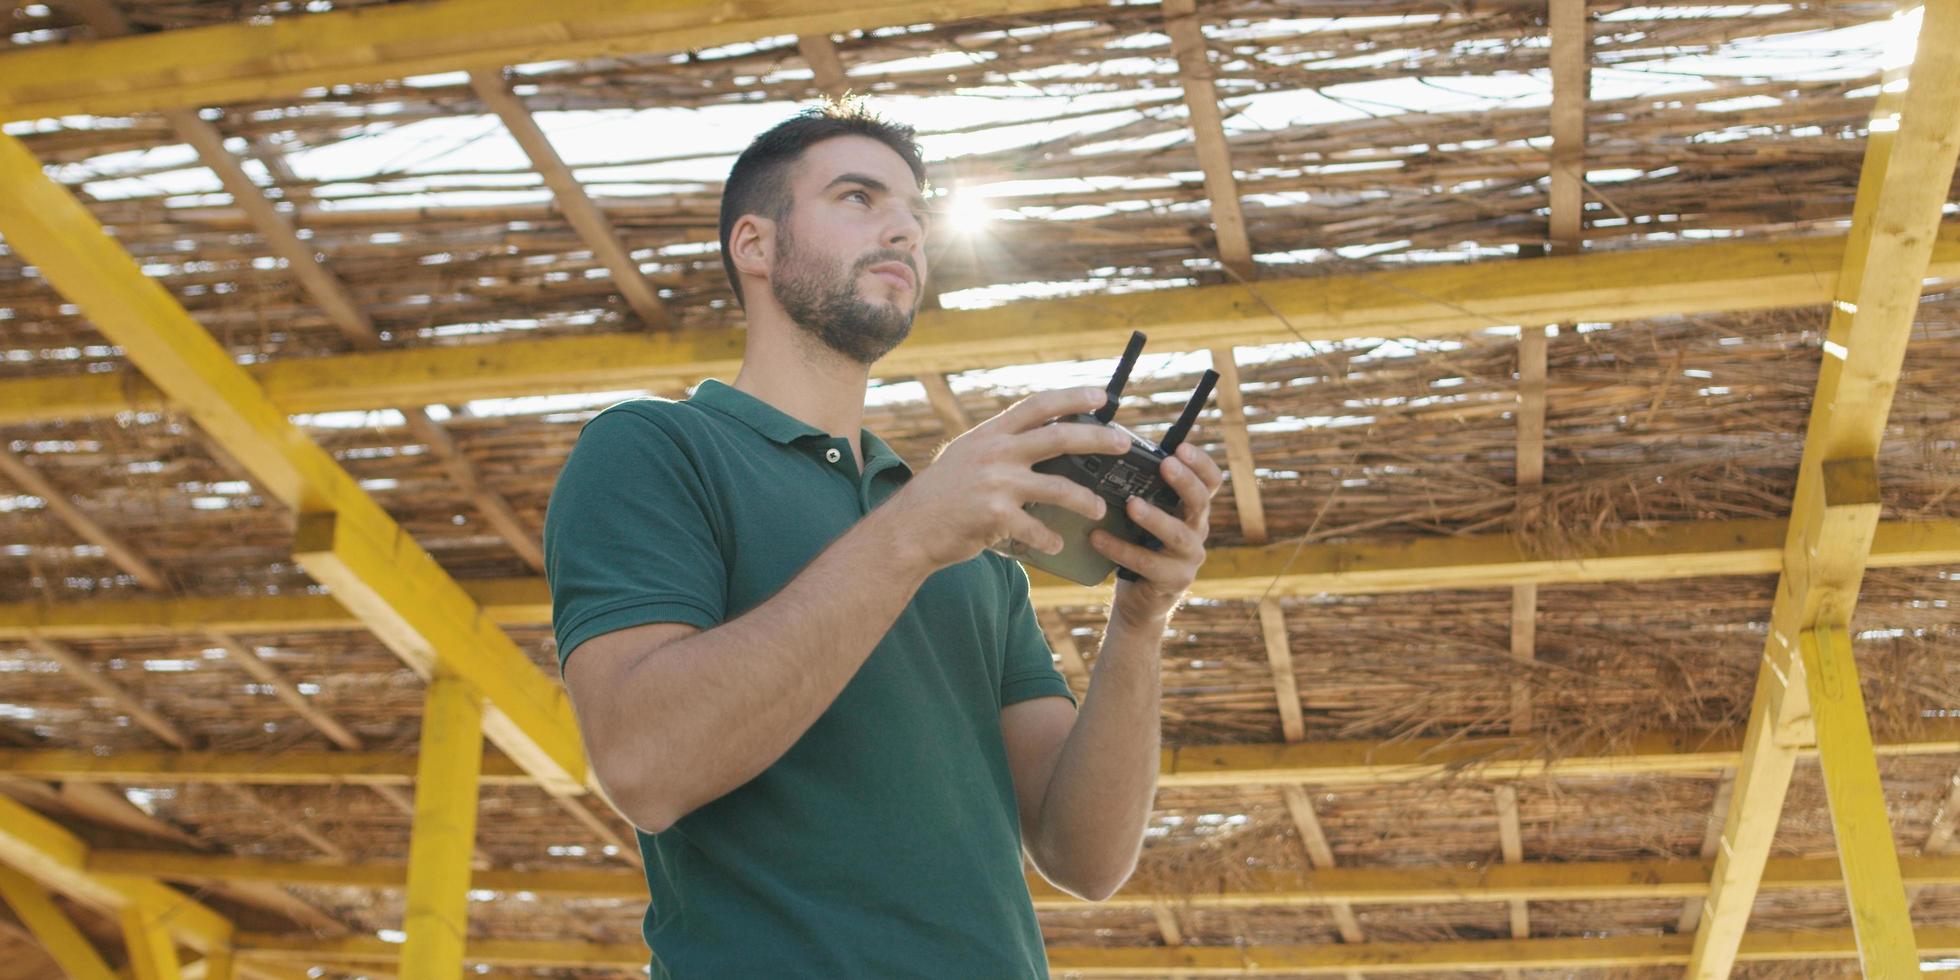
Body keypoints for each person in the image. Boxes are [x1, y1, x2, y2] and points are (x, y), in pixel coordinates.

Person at [543, 100, 1223, 978]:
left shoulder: (970, 536)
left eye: (916, 213)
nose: (903, 227)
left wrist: (1140, 623)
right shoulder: (654, 448)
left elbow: (1085, 860)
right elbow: (645, 766)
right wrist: (911, 533)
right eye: (859, 198)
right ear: (755, 245)